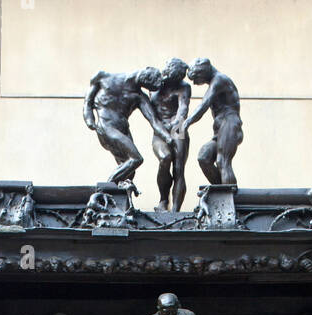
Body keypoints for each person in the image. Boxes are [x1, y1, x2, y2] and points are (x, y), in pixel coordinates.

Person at [83, 70, 171, 186]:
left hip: (123, 131)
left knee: (129, 172)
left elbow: (154, 121)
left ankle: (117, 193)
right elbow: (88, 102)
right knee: (136, 159)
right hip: (107, 127)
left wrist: (169, 138)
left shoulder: (139, 97)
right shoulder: (103, 77)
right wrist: (90, 120)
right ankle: (105, 188)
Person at [183, 59, 243, 186]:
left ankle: (228, 199)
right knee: (204, 157)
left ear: (203, 73)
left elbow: (204, 104)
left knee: (222, 161)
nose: (194, 83)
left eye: (195, 79)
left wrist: (186, 122)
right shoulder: (215, 82)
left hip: (230, 124)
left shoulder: (219, 80)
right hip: (220, 129)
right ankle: (221, 191)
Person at [143, 59, 191, 211]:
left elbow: (183, 108)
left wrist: (174, 124)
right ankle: (163, 200)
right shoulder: (154, 85)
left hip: (178, 128)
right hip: (159, 130)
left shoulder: (184, 87)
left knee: (178, 168)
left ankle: (176, 210)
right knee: (164, 158)